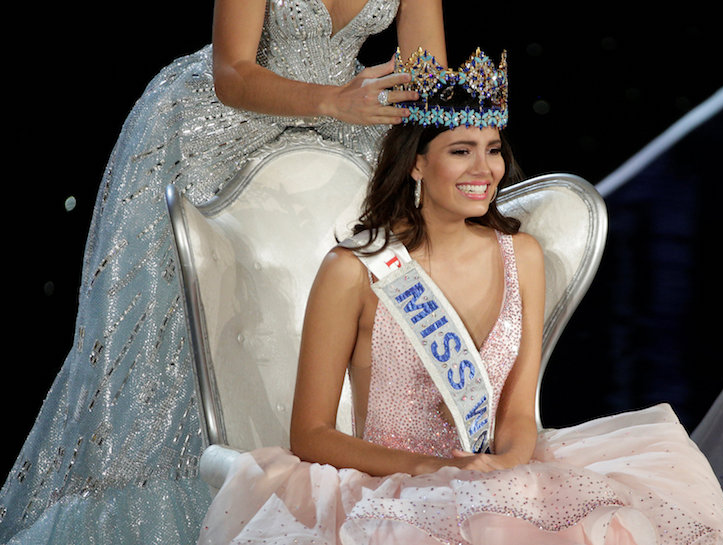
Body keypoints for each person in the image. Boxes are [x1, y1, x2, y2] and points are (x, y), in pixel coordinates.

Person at [198, 48, 723, 544]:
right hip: (393, 489)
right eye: (461, 151)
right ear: (416, 162)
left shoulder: (522, 255)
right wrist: (429, 470)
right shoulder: (353, 271)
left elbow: (516, 411)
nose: (485, 170)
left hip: (499, 476)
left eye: (493, 150)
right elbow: (311, 434)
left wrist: (506, 470)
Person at [0, 1, 445, 543]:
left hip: (349, 126)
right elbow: (233, 73)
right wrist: (334, 101)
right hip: (222, 127)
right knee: (176, 346)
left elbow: (428, 74)